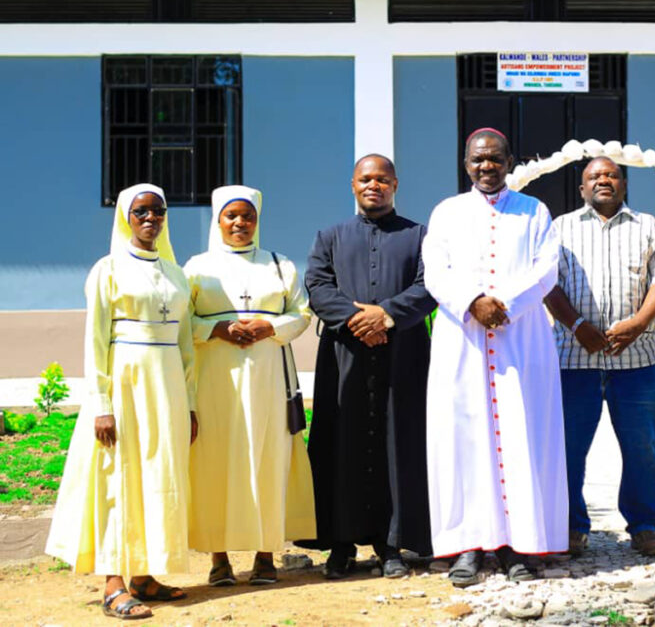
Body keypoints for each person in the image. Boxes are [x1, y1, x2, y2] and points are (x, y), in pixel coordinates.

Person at [422, 129, 568, 587]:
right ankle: (468, 544)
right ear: (466, 164)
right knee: (463, 436)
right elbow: (435, 270)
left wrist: (503, 302)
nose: (487, 167)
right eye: (478, 160)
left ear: (510, 161)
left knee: (522, 434)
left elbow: (547, 268)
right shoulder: (446, 213)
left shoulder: (535, 211)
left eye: (495, 159)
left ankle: (517, 546)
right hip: (462, 337)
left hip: (519, 337)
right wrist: (472, 302)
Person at [45, 184, 198, 620]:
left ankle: (145, 575)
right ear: (126, 218)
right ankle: (113, 584)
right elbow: (95, 342)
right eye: (141, 211)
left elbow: (186, 346)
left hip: (167, 387)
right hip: (126, 387)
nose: (151, 218)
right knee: (119, 480)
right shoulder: (107, 270)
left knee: (159, 478)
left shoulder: (175, 274)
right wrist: (101, 404)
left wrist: (188, 404)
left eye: (158, 211)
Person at [303, 155, 436, 579]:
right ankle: (340, 545)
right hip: (346, 357)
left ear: (395, 184)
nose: (373, 185)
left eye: (382, 179)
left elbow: (430, 285)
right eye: (366, 179)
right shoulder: (330, 236)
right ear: (353, 185)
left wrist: (388, 315)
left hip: (404, 358)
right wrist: (360, 320)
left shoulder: (420, 235)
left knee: (400, 445)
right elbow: (317, 286)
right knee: (341, 444)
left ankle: (392, 543)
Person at [184, 185, 316, 586]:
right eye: (231, 216)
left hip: (267, 381)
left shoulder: (280, 265)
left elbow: (303, 314)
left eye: (248, 216)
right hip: (215, 381)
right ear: (218, 220)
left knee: (267, 457)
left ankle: (264, 555)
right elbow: (180, 322)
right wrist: (216, 328)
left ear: (258, 220)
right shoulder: (196, 268)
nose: (240, 223)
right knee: (215, 460)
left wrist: (269, 325)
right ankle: (218, 557)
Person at [545, 157, 655, 557]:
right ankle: (571, 526)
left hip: (638, 361)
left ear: (623, 184)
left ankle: (643, 525)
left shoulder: (650, 227)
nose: (603, 180)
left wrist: (637, 324)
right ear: (581, 188)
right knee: (567, 448)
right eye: (594, 177)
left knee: (643, 448)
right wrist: (577, 325)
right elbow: (548, 284)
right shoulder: (559, 229)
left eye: (611, 175)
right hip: (572, 359)